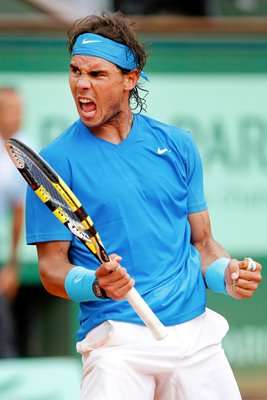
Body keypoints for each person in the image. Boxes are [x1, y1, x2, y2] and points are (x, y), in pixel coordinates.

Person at [25, 12, 262, 399]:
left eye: (97, 75)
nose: (81, 84)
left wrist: (228, 276)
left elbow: (202, 245)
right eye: (75, 71)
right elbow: (53, 269)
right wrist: (97, 286)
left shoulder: (178, 145)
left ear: (129, 79)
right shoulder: (56, 164)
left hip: (194, 336)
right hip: (117, 344)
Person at [0, 87, 27, 357]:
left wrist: (11, 265)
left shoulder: (22, 148)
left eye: (20, 110)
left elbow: (19, 210)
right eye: (11, 111)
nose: (18, 116)